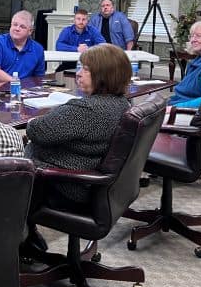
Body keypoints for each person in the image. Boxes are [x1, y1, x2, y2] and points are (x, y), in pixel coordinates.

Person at [25, 44, 132, 206]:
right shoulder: (122, 103)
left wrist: (32, 122)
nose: (78, 74)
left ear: (104, 75)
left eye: (86, 70)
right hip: (89, 178)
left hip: (66, 185)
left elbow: (38, 131)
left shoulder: (87, 110)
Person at [0, 10, 46, 84]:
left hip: (26, 92)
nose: (17, 29)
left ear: (30, 31)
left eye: (22, 27)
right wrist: (16, 82)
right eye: (15, 25)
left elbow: (39, 78)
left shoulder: (38, 49)